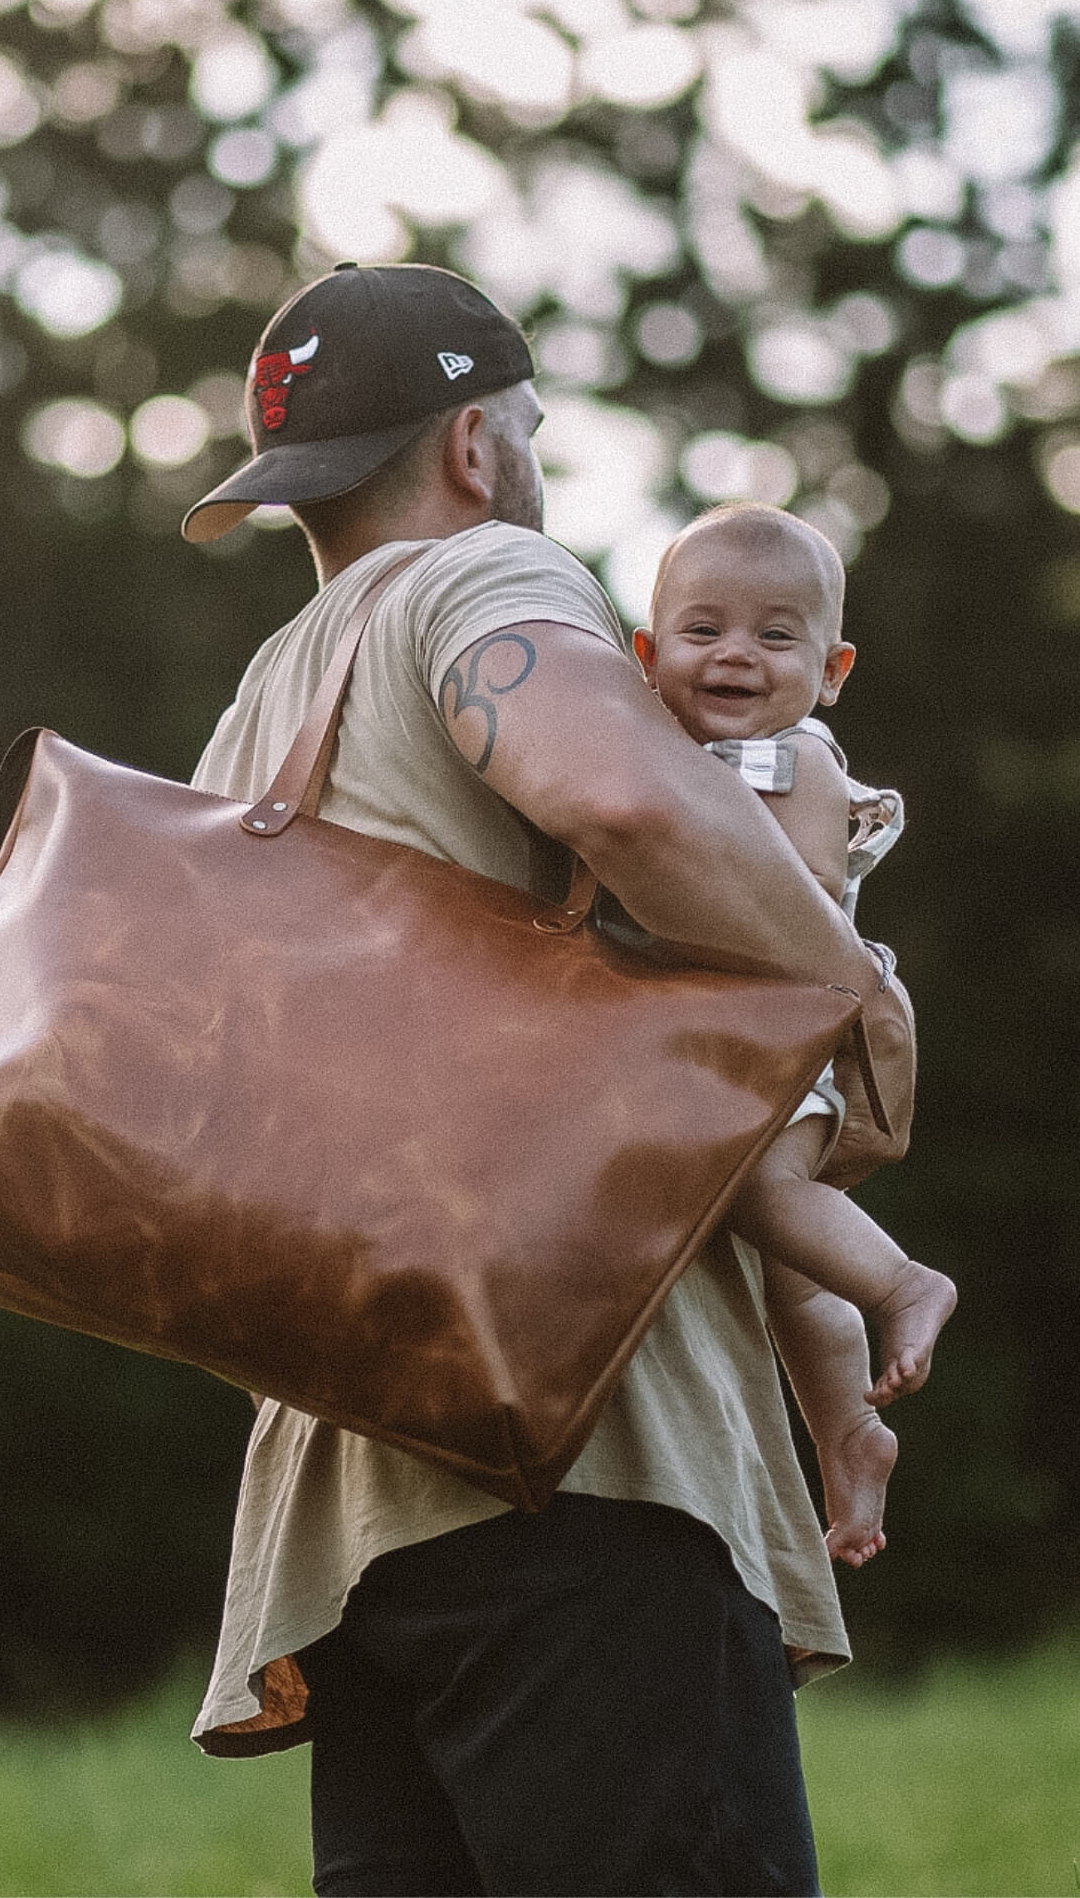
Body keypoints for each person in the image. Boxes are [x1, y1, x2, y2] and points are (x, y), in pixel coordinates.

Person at [180, 261, 914, 1897]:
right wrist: (848, 995)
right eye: (523, 425)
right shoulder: (489, 578)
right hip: (586, 1453)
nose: (528, 456)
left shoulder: (253, 720)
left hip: (349, 1515)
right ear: (469, 441)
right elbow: (633, 807)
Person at [627, 502, 955, 1571]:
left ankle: (904, 1281)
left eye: (775, 637)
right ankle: (846, 1437)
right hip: (735, 1039)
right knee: (785, 1270)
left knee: (766, 1196)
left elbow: (803, 886)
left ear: (829, 669)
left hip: (785, 1031)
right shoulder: (672, 749)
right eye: (703, 629)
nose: (734, 654)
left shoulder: (788, 757)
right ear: (647, 653)